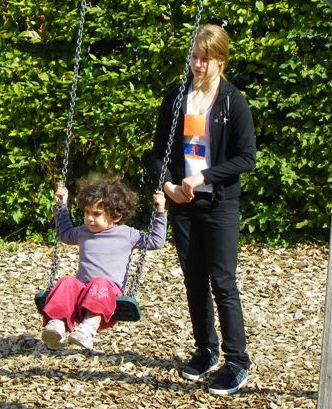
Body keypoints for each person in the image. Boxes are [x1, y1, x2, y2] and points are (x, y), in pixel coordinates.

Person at [147, 24, 256, 396]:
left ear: (220, 61)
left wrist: (204, 176)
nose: (196, 64)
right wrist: (167, 185)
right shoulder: (177, 96)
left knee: (223, 283)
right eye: (193, 57)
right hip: (183, 204)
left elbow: (247, 157)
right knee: (194, 280)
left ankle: (237, 361)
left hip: (219, 205)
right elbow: (158, 152)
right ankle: (206, 349)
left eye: (204, 59)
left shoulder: (232, 101)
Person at [40, 173, 167, 351]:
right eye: (87, 212)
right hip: (82, 295)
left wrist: (160, 211)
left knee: (100, 282)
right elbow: (65, 234)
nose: (90, 218)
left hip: (108, 296)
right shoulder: (84, 231)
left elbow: (155, 241)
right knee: (67, 281)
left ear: (116, 216)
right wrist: (61, 206)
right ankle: (57, 325)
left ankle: (88, 328)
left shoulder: (127, 234)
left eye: (97, 214)